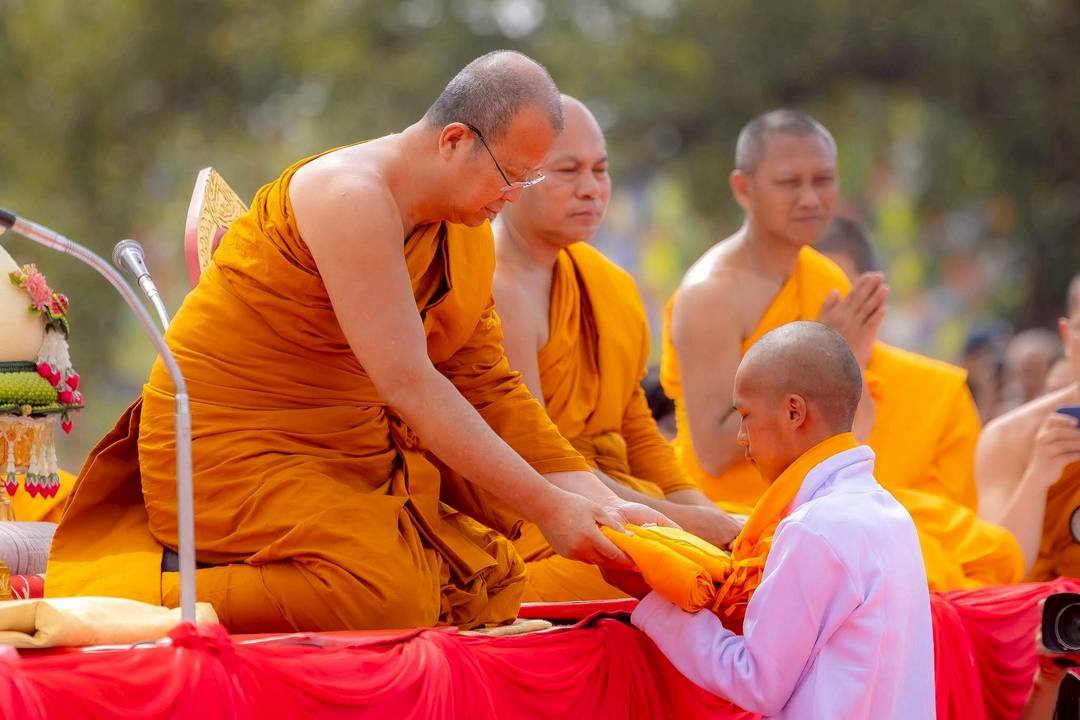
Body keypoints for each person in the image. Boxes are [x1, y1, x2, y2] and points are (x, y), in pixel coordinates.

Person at [46, 51, 670, 632]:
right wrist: (551, 507)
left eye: (526, 183)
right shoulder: (347, 194)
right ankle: (142, 596)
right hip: (232, 448)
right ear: (455, 140)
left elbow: (487, 383)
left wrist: (592, 501)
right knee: (387, 599)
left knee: (492, 579)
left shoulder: (463, 227)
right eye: (512, 176)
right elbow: (409, 383)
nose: (511, 200)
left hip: (349, 450)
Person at [661, 109, 1022, 589]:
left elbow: (858, 426)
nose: (811, 198)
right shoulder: (712, 294)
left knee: (992, 553)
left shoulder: (824, 277)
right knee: (924, 571)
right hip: (743, 511)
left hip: (822, 496)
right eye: (789, 182)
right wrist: (810, 359)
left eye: (823, 180)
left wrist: (842, 360)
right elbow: (712, 452)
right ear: (743, 188)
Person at [479, 95, 738, 601]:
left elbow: (635, 428)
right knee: (688, 575)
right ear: (513, 177)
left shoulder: (609, 285)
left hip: (620, 502)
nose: (592, 190)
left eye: (601, 170)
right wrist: (681, 522)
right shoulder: (491, 286)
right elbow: (539, 460)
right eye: (568, 171)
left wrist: (706, 514)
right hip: (535, 524)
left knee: (760, 548)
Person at [612, 322, 935, 719]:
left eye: (746, 416)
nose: (742, 438)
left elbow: (756, 681)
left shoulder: (815, 529)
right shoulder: (888, 513)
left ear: (794, 412)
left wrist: (654, 600)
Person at [976, 273, 1080, 578]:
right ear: (1066, 336)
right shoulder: (1008, 439)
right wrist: (1037, 477)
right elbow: (999, 574)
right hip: (1048, 620)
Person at [1001, 328, 1064, 411]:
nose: (1031, 376)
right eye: (1027, 369)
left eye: (1037, 369)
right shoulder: (1005, 407)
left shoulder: (1057, 403)